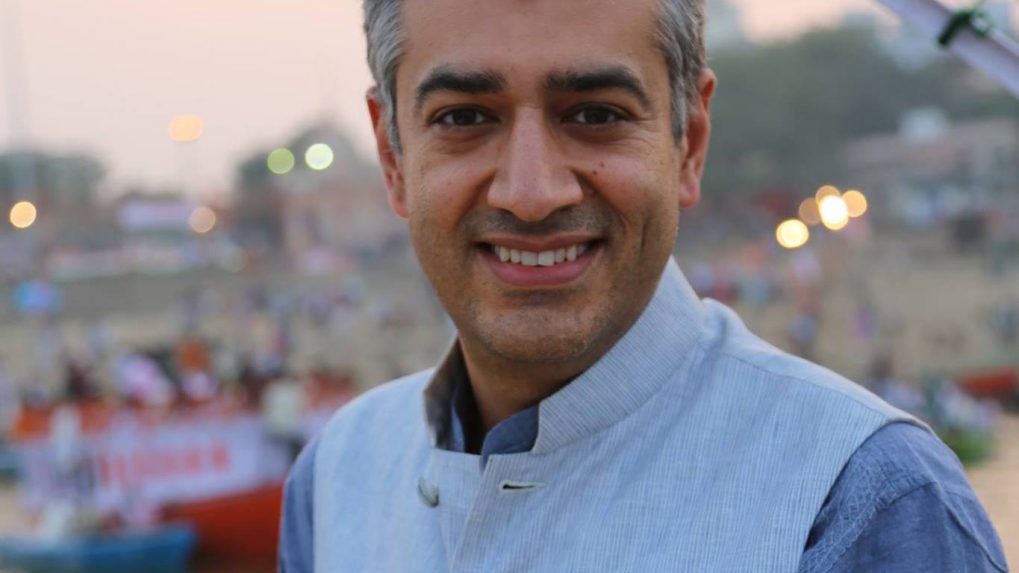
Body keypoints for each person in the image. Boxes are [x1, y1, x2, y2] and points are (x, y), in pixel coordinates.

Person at [279, 0, 1007, 571]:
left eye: (595, 115)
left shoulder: (859, 499)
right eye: (464, 118)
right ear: (392, 155)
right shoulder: (340, 477)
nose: (530, 193)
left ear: (689, 141)